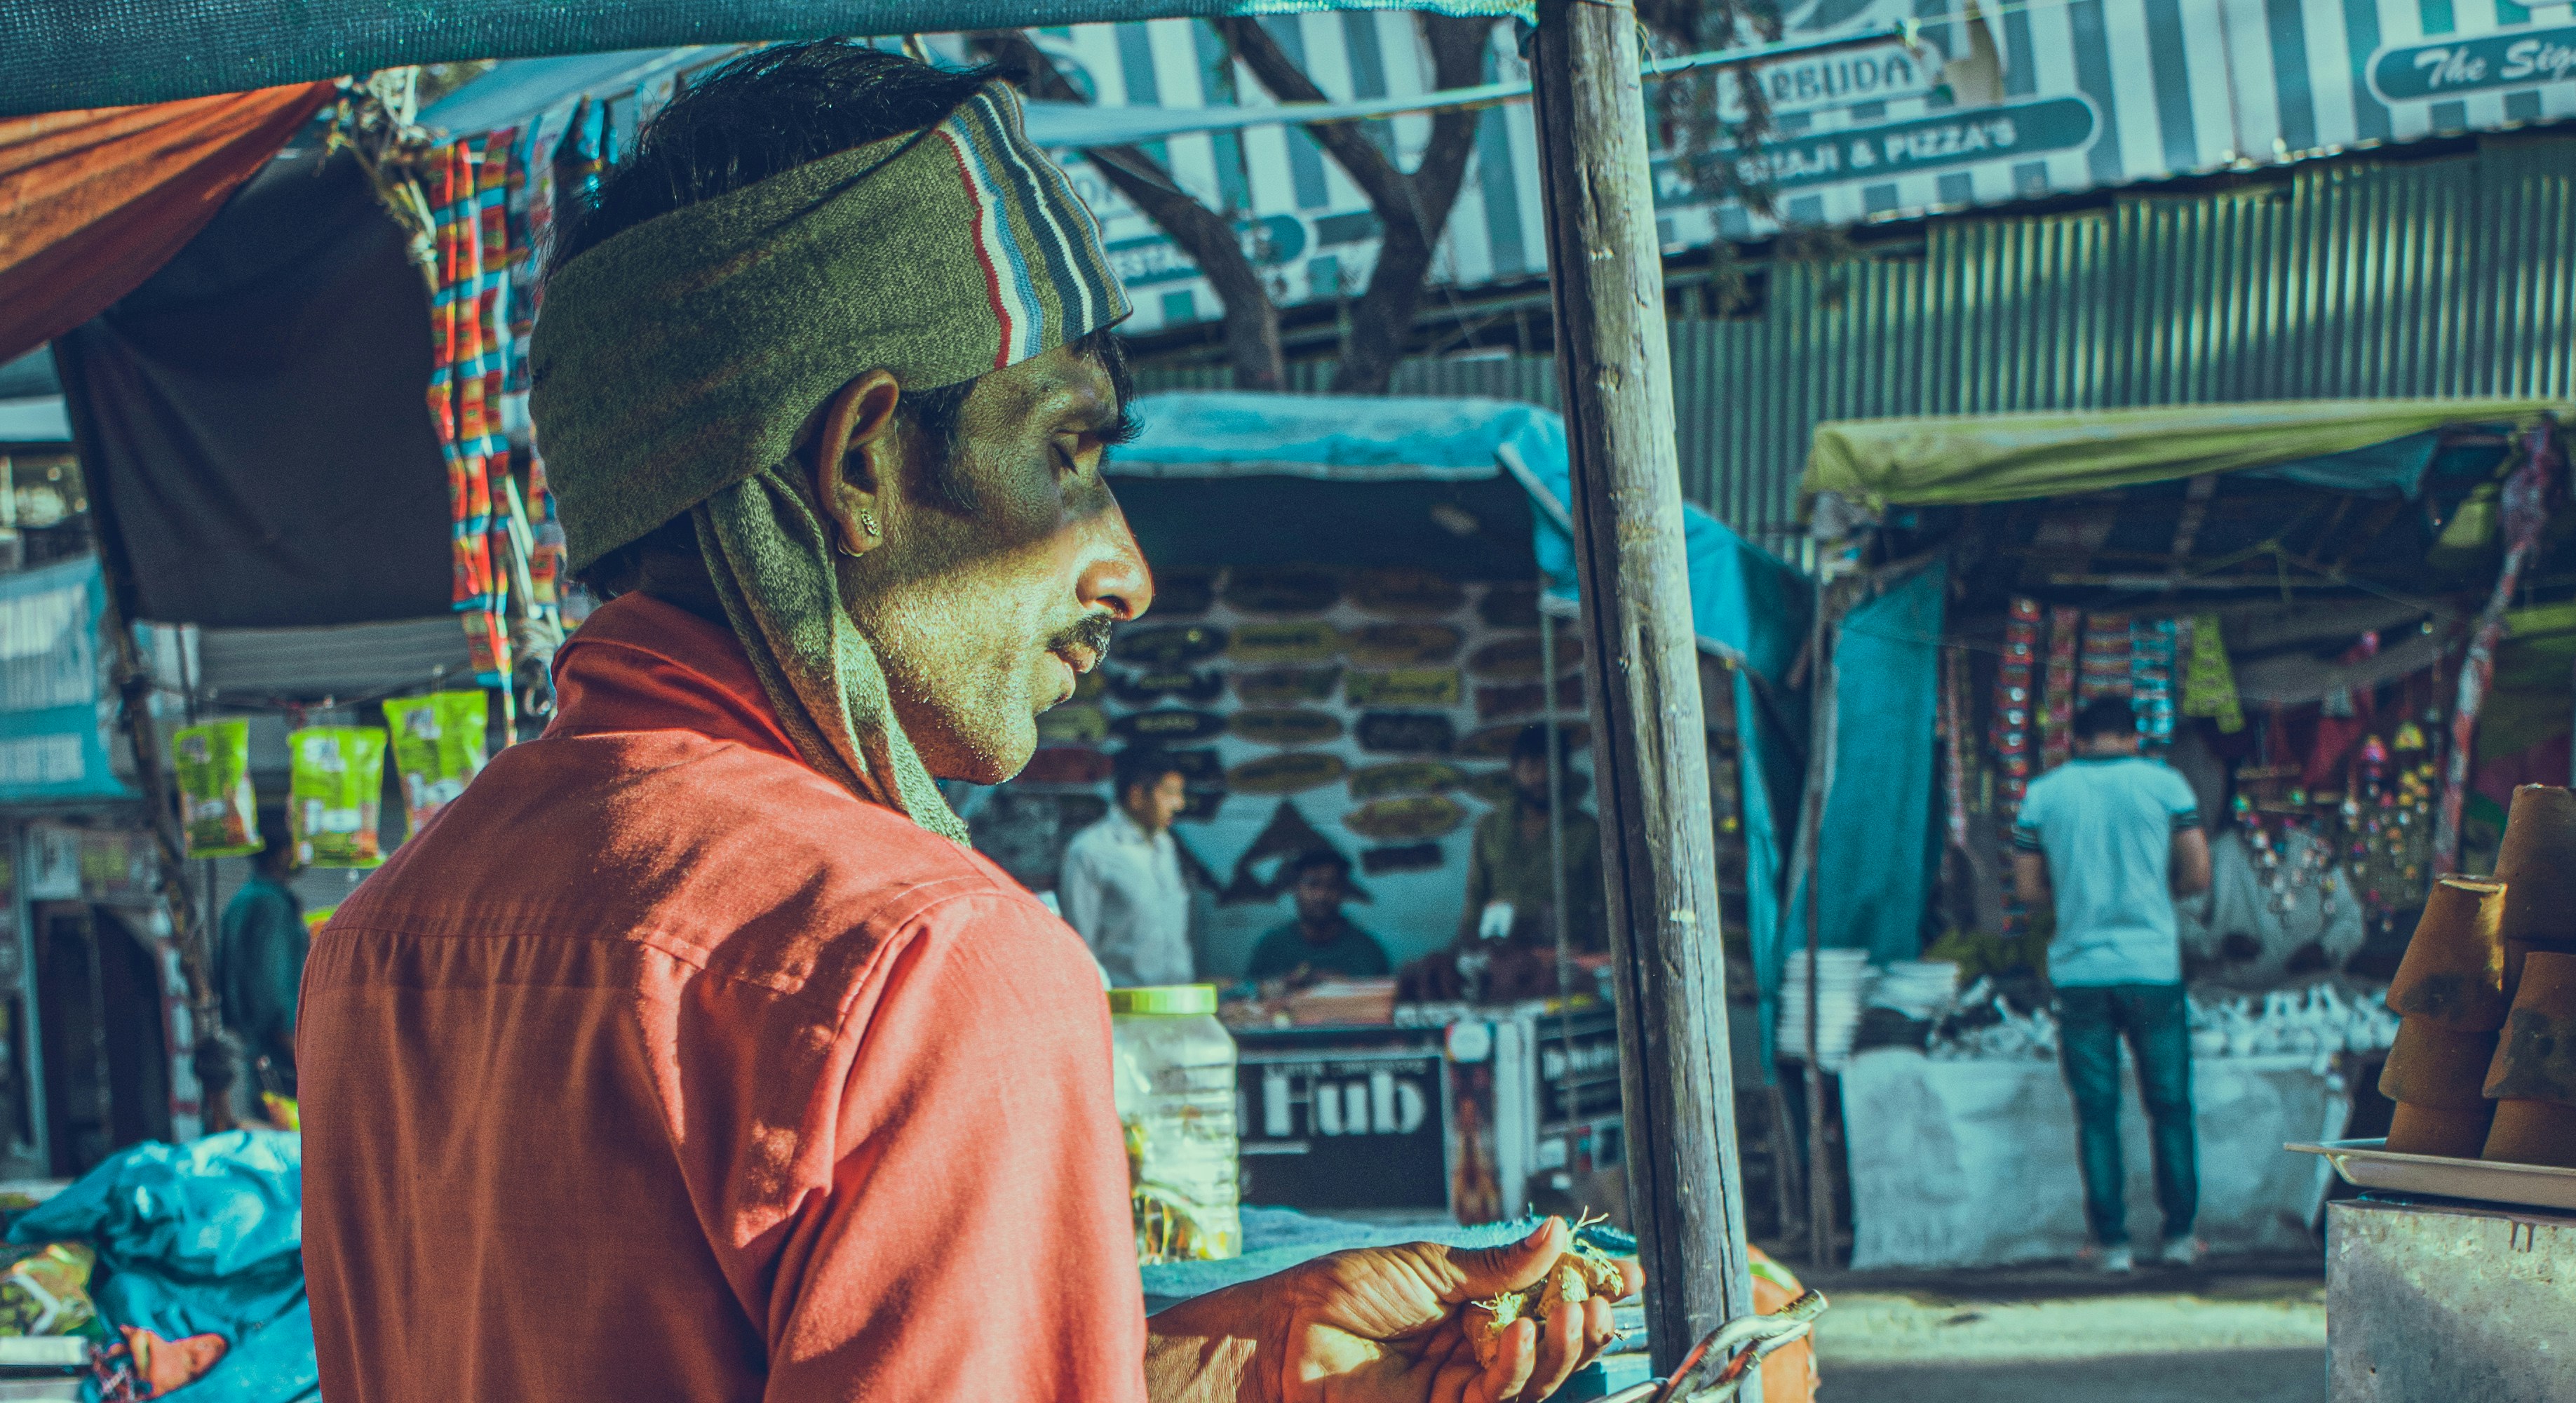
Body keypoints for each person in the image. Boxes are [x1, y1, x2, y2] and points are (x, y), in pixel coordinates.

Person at [296, 44, 1627, 1403]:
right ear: (861, 461)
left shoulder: (392, 926)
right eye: (1064, 450)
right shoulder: (919, 955)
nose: (1124, 573)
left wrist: (1242, 1359)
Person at [2011, 695, 2214, 1273]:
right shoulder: (2167, 786)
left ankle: (2112, 1244)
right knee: (2171, 1106)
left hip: (2080, 971)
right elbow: (2198, 874)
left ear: (2076, 738)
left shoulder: (2044, 795)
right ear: (2133, 736)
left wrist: (2077, 904)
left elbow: (2028, 891)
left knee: (2097, 1112)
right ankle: (2179, 1236)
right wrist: (2152, 900)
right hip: (2153, 966)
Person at [1061, 749, 1194, 986]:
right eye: (1170, 793)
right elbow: (1079, 947)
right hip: (1122, 1008)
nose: (1179, 804)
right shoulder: (1090, 851)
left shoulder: (1165, 845)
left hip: (1178, 1003)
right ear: (1136, 795)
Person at [1459, 729, 1603, 949]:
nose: (1541, 777)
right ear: (1514, 771)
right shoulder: (1489, 827)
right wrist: (1468, 946)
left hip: (1566, 952)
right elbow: (1475, 896)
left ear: (1565, 771)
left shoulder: (1587, 830)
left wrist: (1598, 951)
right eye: (1532, 768)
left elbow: (1604, 902)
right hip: (1500, 952)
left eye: (1550, 768)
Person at [215, 807, 308, 1095]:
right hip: (283, 1059)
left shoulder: (240, 901)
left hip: (257, 1056)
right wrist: (297, 1053)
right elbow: (273, 987)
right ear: (283, 854)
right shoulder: (271, 905)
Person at [1246, 848, 1391, 983]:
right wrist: (1287, 985)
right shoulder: (1272, 947)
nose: (1321, 895)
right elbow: (1246, 999)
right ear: (1295, 889)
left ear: (1343, 891)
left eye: (1331, 885)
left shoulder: (1366, 951)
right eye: (1312, 884)